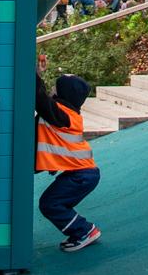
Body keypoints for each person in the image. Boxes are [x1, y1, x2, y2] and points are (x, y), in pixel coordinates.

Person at [33, 70, 102, 253]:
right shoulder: (67, 115)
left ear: (64, 94)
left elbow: (40, 98)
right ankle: (82, 231)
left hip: (82, 176)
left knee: (51, 204)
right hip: (81, 174)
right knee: (53, 203)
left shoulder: (63, 115)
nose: (52, 91)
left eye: (55, 88)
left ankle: (84, 231)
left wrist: (33, 73)